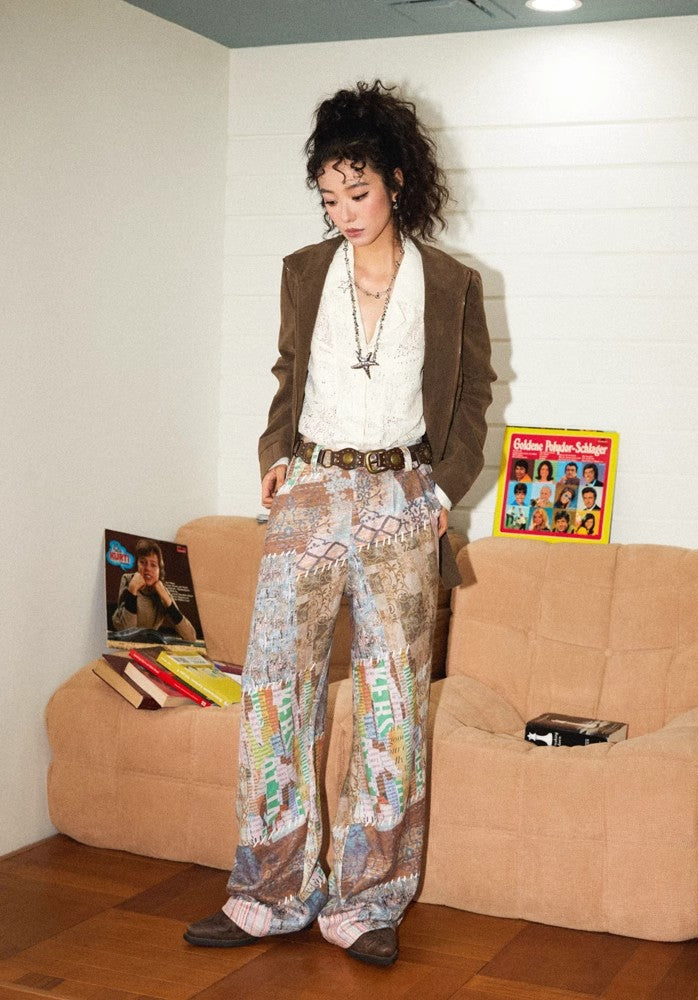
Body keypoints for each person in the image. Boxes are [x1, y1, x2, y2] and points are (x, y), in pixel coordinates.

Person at [183, 81, 495, 967]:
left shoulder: (454, 283)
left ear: (396, 181)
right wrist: (276, 454)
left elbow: (475, 395)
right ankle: (270, 893)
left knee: (395, 703)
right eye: (329, 197)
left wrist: (442, 493)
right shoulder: (303, 271)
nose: (344, 212)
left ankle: (368, 901)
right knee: (275, 693)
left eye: (357, 192)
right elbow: (289, 373)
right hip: (312, 490)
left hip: (402, 496)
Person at [111, 538, 196, 642]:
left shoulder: (162, 591)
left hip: (148, 639)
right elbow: (127, 632)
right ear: (137, 564)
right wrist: (132, 589)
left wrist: (167, 601)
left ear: (159, 570)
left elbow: (190, 637)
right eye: (143, 562)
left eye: (153, 565)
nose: (147, 568)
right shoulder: (128, 580)